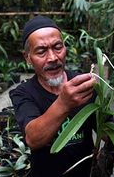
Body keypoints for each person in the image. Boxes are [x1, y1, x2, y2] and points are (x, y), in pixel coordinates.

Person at [9, 15, 97, 177]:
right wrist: (64, 103)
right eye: (41, 51)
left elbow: (103, 130)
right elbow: (33, 139)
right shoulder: (23, 93)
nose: (53, 58)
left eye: (58, 47)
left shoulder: (84, 85)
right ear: (27, 58)